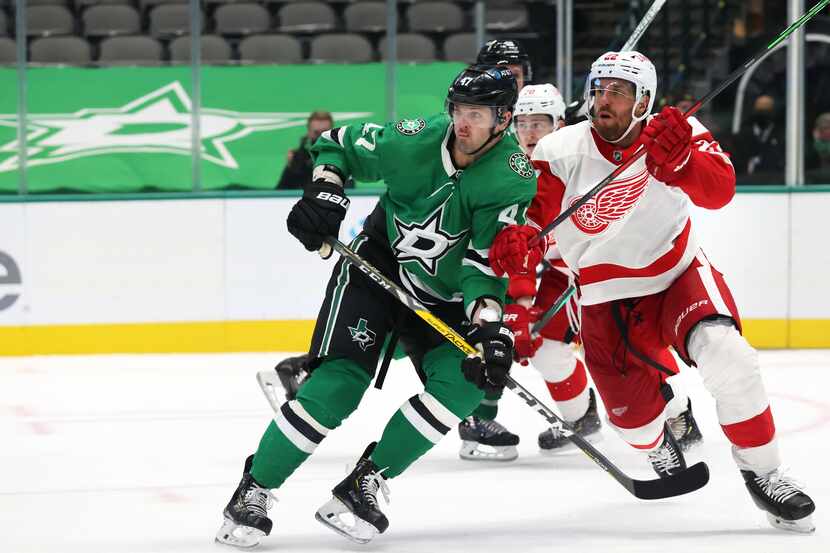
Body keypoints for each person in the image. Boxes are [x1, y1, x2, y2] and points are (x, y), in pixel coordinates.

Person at [489, 51, 816, 533]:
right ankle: (657, 439)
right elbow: (533, 220)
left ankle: (765, 474)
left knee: (731, 357)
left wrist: (682, 163)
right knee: (633, 424)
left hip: (677, 271)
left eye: (619, 91)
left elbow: (720, 191)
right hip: (604, 293)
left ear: (644, 100)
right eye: (599, 89)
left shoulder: (678, 131)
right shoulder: (559, 150)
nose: (605, 100)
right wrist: (518, 244)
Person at [216, 65, 537, 547]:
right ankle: (254, 490)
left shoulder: (512, 178)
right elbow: (337, 142)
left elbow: (481, 264)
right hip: (380, 268)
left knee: (465, 386)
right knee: (338, 386)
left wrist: (490, 326)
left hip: (448, 299)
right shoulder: (414, 139)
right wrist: (325, 187)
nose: (462, 122)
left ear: (503, 118)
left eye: (476, 113)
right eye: (457, 110)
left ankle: (365, 482)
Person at [454, 38, 534, 461]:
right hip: (477, 236)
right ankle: (476, 416)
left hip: (521, 232)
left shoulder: (535, 107)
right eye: (502, 69)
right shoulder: (478, 115)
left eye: (517, 69)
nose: (513, 77)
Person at [731, 94, 785, 184]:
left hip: (772, 182)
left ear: (773, 111)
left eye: (767, 110)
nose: (763, 113)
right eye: (760, 110)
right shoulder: (742, 135)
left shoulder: (781, 135)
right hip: (744, 183)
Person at [276, 111, 335, 189]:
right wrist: (290, 168)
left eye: (324, 133)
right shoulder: (298, 157)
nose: (320, 138)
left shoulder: (340, 158)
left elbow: (350, 192)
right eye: (316, 133)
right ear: (309, 132)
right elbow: (280, 192)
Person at [807, 112, 830, 185]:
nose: (828, 131)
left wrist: (818, 144)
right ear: (817, 130)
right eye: (825, 128)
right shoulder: (809, 147)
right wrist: (816, 141)